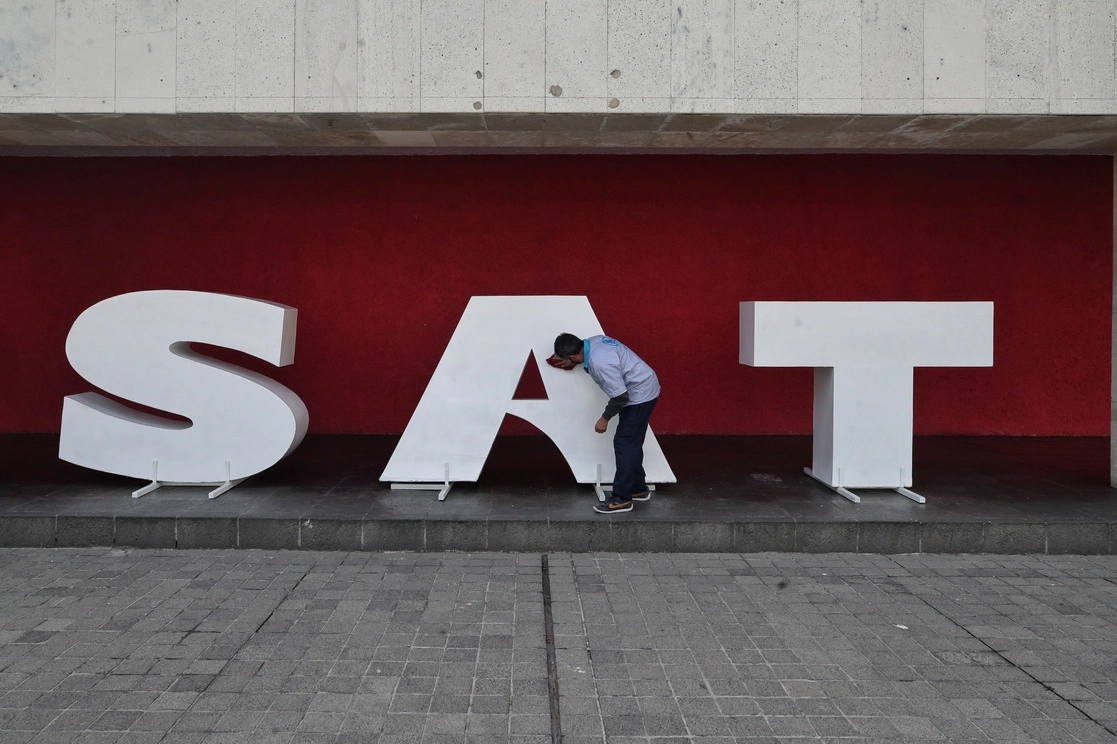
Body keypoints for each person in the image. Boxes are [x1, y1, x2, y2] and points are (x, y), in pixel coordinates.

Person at [551, 332, 660, 514]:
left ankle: (622, 499)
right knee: (631, 443)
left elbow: (620, 396)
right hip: (645, 385)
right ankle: (638, 488)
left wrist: (604, 419)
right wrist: (573, 363)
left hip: (640, 396)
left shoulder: (599, 364)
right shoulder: (594, 341)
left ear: (573, 356)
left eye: (568, 360)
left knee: (624, 444)